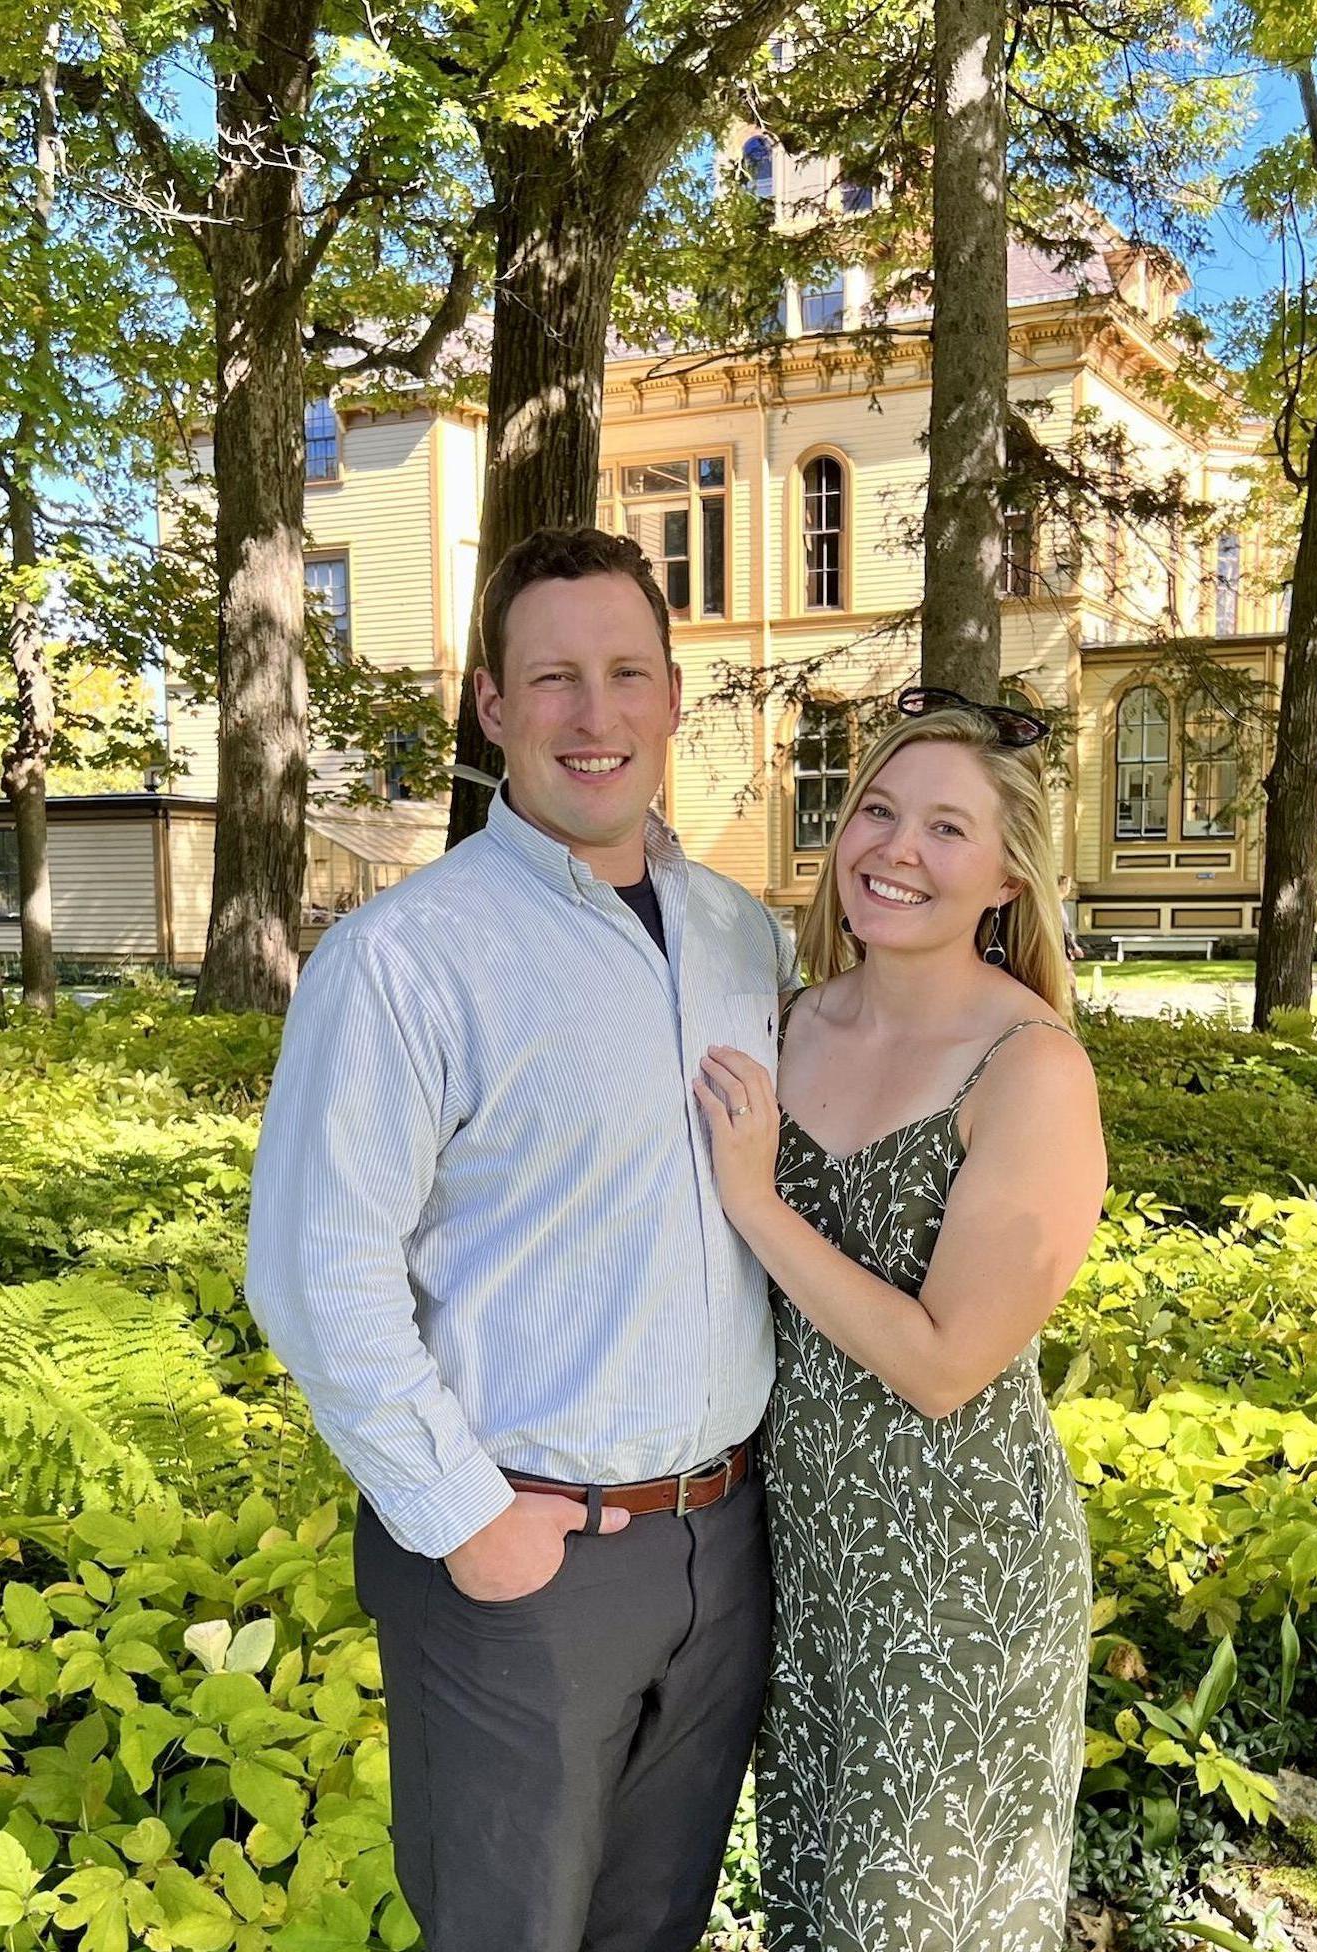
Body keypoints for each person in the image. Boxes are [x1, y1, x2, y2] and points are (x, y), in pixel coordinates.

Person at [245, 526, 794, 1952]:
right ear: (491, 705)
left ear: (674, 695)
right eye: (552, 678)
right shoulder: (405, 960)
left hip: (724, 1542)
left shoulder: (745, 938)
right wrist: (466, 1521)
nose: (593, 714)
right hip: (523, 1556)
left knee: (654, 1927)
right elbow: (315, 1273)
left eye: (626, 673)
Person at [695, 689, 1107, 1952]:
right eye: (876, 810)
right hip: (808, 1560)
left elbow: (943, 1364)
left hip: (957, 1581)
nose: (895, 849)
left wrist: (757, 1203)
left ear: (1006, 876)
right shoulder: (787, 1021)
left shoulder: (1031, 1068)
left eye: (944, 828)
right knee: (811, 1907)